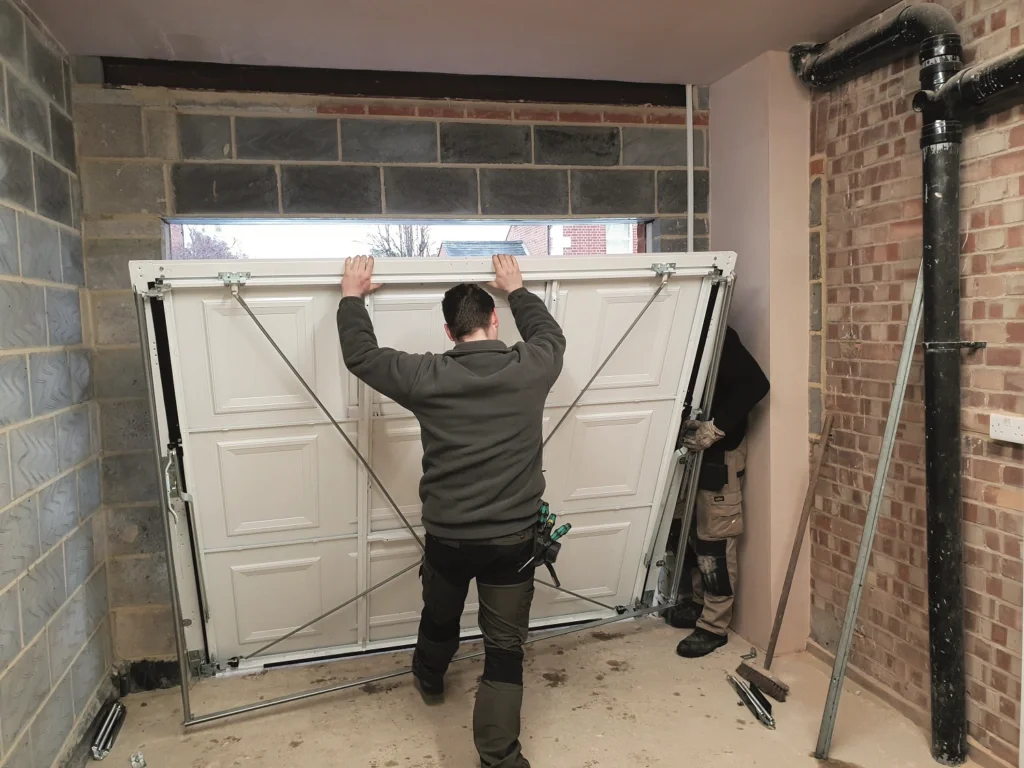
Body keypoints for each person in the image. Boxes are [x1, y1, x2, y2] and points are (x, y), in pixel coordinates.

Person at [337, 254, 565, 768]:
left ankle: (429, 675)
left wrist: (352, 296)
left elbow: (361, 355)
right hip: (513, 543)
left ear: (448, 330)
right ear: (494, 321)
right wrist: (518, 289)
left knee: (441, 613)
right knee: (504, 651)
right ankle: (500, 759)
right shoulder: (534, 366)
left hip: (449, 538)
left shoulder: (426, 374)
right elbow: (551, 334)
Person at [666, 325, 769, 658]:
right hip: (693, 450)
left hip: (719, 454)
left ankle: (714, 625)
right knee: (690, 534)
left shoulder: (715, 334)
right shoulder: (680, 325)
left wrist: (716, 426)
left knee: (714, 541)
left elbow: (756, 384)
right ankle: (699, 604)